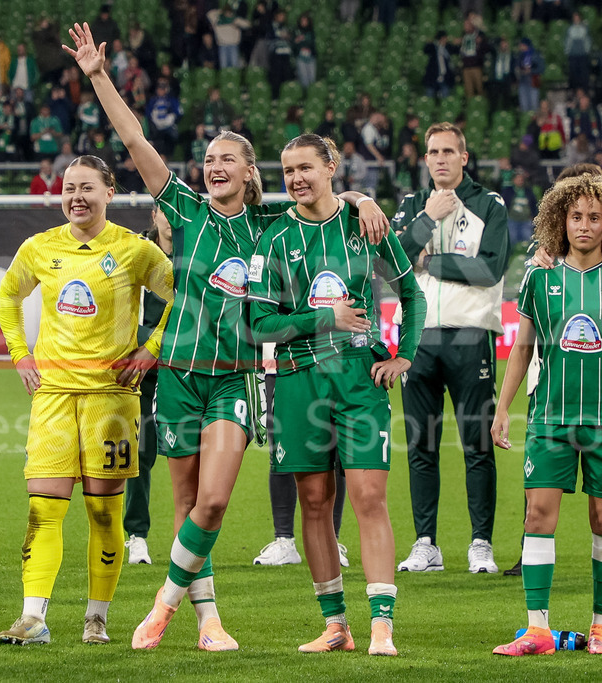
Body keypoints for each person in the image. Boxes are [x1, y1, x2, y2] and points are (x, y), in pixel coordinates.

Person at [65, 22, 388, 652]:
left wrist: (354, 194)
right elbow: (133, 138)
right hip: (180, 371)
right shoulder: (183, 210)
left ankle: (162, 604)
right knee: (186, 503)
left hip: (236, 375)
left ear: (248, 172)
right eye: (208, 160)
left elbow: (320, 197)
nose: (214, 167)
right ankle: (208, 619)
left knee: (212, 502)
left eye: (226, 160)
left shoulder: (272, 222)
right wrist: (99, 76)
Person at [249, 133, 425, 655]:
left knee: (370, 497)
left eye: (306, 167)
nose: (297, 179)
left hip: (358, 377)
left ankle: (382, 624)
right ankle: (335, 625)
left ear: (332, 166)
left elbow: (411, 293)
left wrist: (404, 356)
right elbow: (259, 322)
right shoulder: (275, 239)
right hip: (299, 376)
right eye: (287, 171)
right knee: (314, 501)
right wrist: (324, 317)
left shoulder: (365, 224)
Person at [0, 155, 173, 645]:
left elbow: (182, 294)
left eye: (87, 188)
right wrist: (20, 354)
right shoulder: (39, 247)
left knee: (103, 512)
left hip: (111, 400)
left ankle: (97, 617)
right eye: (69, 187)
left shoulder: (135, 250)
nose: (76, 197)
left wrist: (150, 348)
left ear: (108, 192)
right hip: (52, 395)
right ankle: (33, 618)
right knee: (44, 509)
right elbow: (8, 297)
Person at [490, 173, 602, 656]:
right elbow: (521, 349)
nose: (584, 225)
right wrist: (502, 409)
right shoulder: (539, 277)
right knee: (539, 516)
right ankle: (537, 631)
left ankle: (601, 630)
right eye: (576, 216)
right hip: (550, 418)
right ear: (561, 220)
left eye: (594, 217)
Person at [391, 122, 510, 574]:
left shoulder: (488, 204)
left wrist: (430, 261)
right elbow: (389, 260)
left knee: (477, 443)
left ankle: (480, 543)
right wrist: (426, 220)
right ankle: (427, 544)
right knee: (421, 444)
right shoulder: (410, 206)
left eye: (448, 151)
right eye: (432, 152)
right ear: (425, 159)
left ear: (464, 157)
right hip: (415, 337)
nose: (439, 159)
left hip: (469, 334)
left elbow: (490, 269)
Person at [125, 208, 174, 566]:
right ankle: (136, 535)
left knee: (192, 452)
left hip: (182, 365)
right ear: (154, 213)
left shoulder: (195, 253)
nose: (171, 218)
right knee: (140, 453)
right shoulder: (136, 250)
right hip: (140, 367)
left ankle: (189, 537)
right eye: (164, 211)